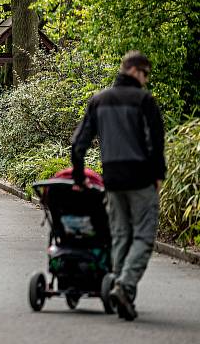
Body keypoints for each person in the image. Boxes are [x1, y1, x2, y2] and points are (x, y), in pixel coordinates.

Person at [70, 51, 165, 321]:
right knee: (144, 236)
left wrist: (79, 178)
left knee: (121, 235)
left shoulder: (99, 101)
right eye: (145, 74)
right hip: (140, 177)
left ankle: (119, 289)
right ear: (135, 71)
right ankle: (124, 286)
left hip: (112, 178)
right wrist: (158, 175)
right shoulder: (145, 101)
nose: (146, 80)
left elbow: (79, 144)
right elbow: (156, 142)